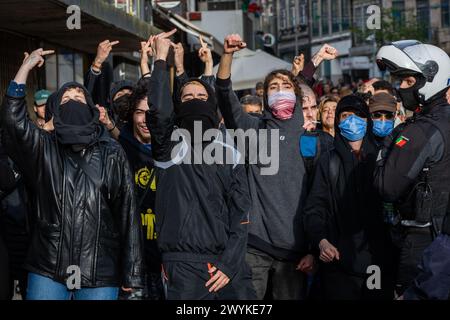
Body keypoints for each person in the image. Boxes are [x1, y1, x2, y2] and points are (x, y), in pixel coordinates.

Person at [0, 48, 144, 300]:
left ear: (90, 109)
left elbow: (128, 213)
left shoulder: (111, 152)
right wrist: (25, 68)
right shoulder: (43, 148)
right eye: (66, 99)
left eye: (80, 97)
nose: (74, 100)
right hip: (48, 266)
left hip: (100, 269)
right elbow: (14, 121)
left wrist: (132, 272)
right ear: (55, 111)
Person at [216, 34, 338, 300]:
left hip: (295, 255)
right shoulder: (252, 130)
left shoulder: (310, 139)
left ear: (296, 96)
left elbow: (318, 199)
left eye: (286, 86)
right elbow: (225, 94)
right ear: (264, 97)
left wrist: (312, 249)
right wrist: (227, 55)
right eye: (273, 87)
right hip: (254, 247)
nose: (280, 91)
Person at [146, 29, 255, 300]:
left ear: (212, 106)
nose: (194, 101)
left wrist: (230, 264)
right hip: (182, 266)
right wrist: (160, 59)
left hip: (226, 266)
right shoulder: (168, 146)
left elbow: (241, 214)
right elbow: (158, 111)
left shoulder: (230, 151)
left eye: (200, 97)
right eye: (187, 98)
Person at [374, 40, 450, 300]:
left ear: (430, 79)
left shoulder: (419, 130)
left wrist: (389, 143)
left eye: (407, 81)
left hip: (423, 244)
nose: (400, 88)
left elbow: (386, 186)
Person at [304, 95, 393, 300]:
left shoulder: (383, 158)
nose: (352, 121)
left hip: (377, 262)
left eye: (357, 115)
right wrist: (321, 241)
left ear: (366, 120)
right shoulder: (329, 160)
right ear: (338, 121)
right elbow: (315, 206)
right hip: (339, 263)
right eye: (345, 115)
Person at [118, 78, 164, 300]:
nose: (145, 120)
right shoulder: (117, 151)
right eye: (139, 112)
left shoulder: (174, 153)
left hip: (166, 260)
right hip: (130, 263)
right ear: (131, 114)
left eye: (150, 113)